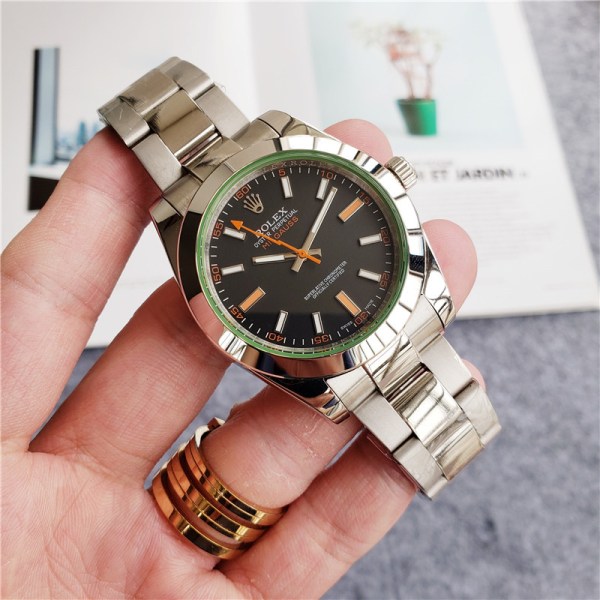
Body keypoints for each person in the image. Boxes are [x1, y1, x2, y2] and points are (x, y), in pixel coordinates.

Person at [1, 119, 483, 598]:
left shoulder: (290, 149)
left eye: (305, 251)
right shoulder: (208, 259)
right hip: (333, 358)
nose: (303, 257)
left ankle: (459, 433)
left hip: (393, 308)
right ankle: (452, 439)